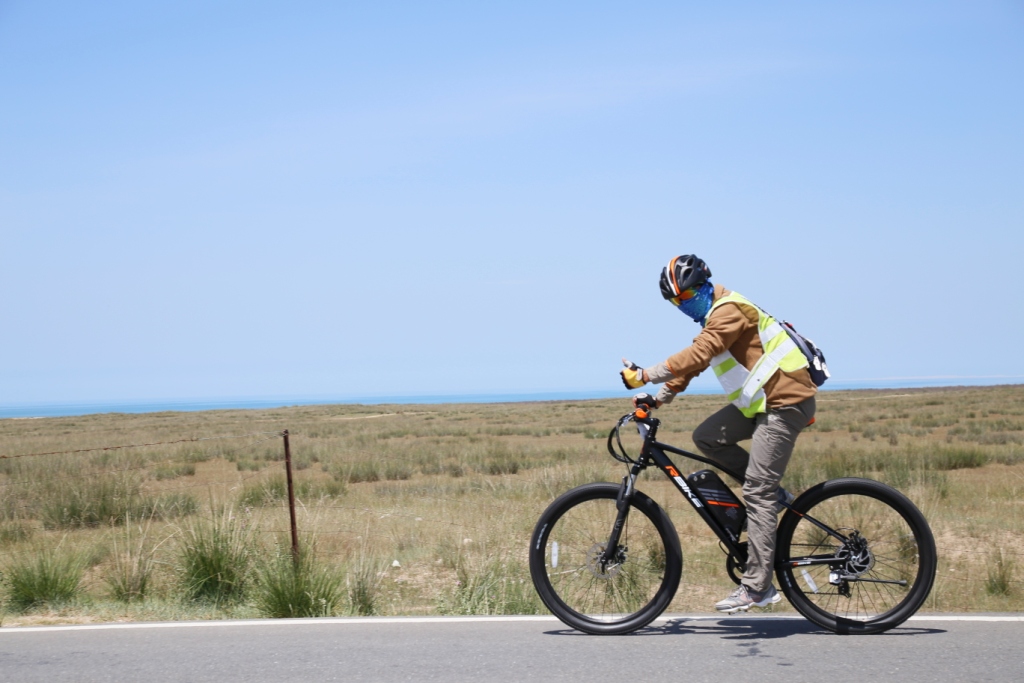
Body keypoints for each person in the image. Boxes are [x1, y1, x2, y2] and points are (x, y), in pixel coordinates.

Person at [620, 254, 817, 613]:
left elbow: (700, 352)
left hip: (785, 403)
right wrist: (658, 398)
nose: (683, 304)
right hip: (762, 403)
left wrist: (646, 374)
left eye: (687, 295)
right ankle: (774, 496)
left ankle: (758, 588)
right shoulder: (714, 319)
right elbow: (695, 364)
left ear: (704, 285)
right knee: (707, 437)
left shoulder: (729, 310)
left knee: (756, 492)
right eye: (676, 302)